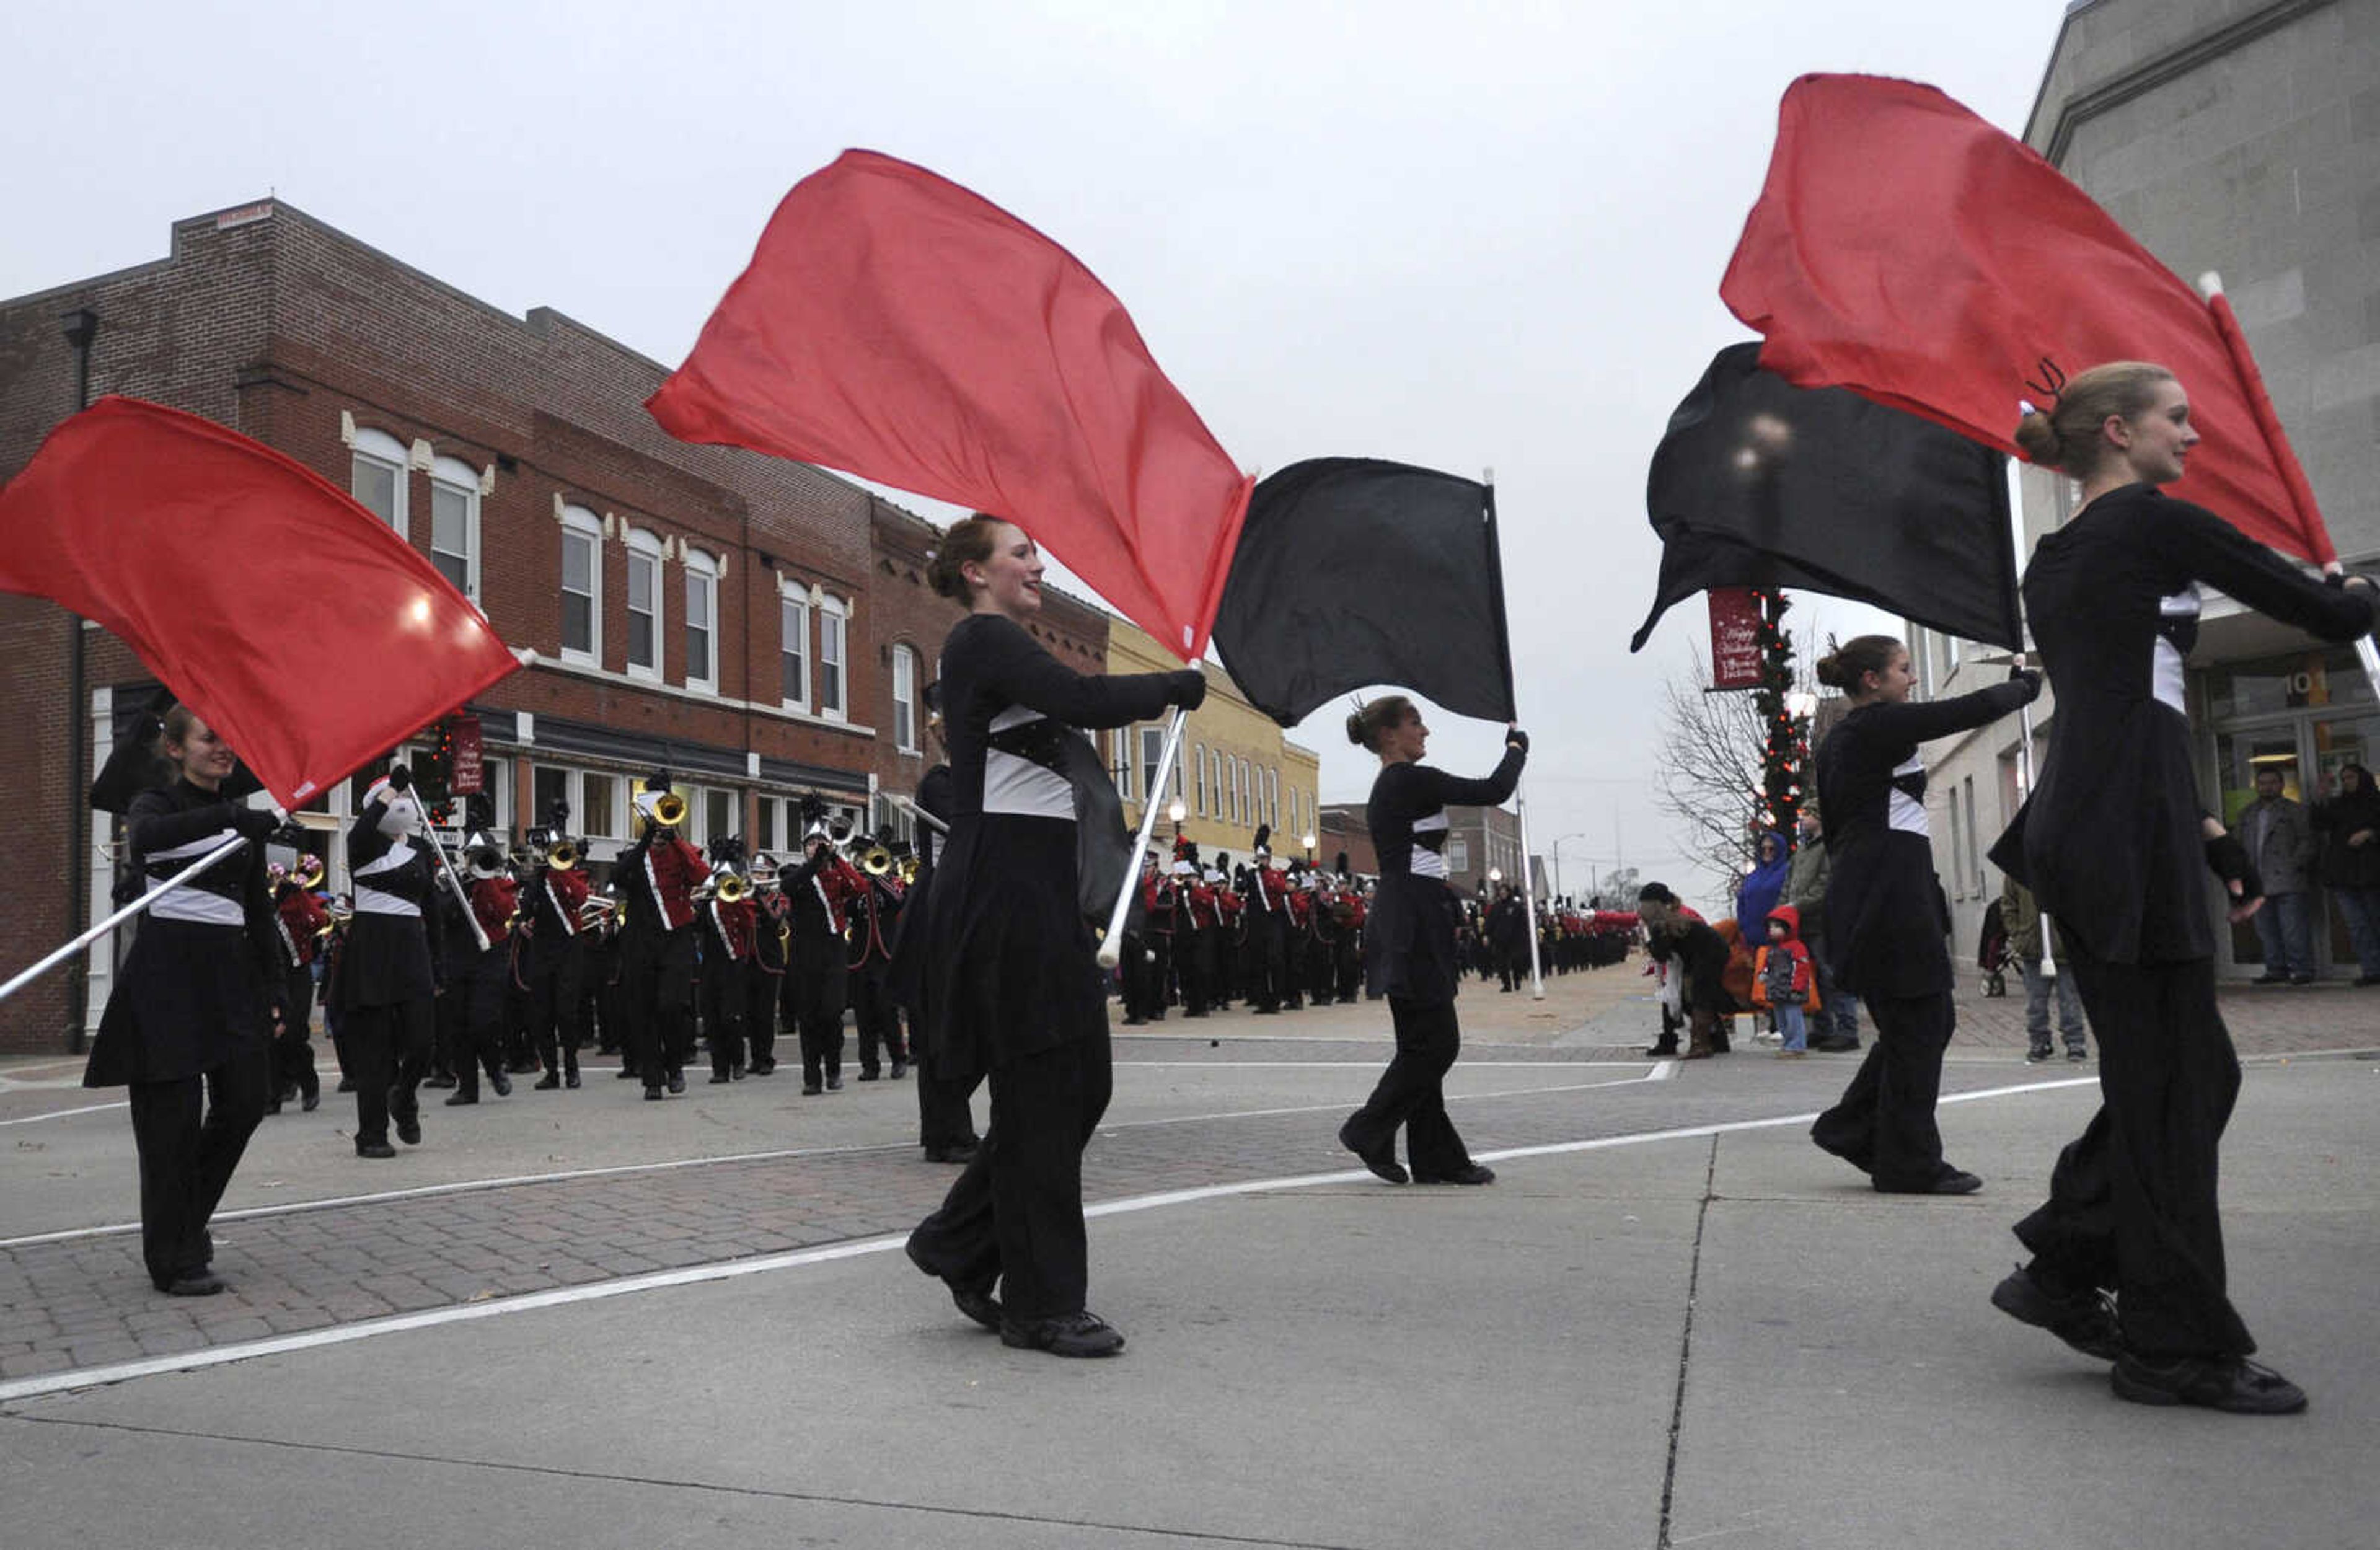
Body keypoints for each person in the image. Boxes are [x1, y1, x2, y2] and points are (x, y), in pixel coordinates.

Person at [1988, 360, 2375, 1414]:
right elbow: (2318, 608)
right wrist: (2353, 594)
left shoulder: (2064, 557)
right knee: (2169, 1093)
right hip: (2117, 832)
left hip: (2118, 819)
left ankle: (2067, 1263)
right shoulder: (2151, 524)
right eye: (2178, 420)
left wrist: (2212, 832)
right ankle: (2173, 1346)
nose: (2193, 437)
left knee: (2191, 1079)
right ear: (2119, 430)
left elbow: (2136, 700)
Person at [903, 516, 1204, 1357]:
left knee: (1081, 1085)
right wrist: (1170, 688)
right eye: (1020, 551)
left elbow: (1075, 703)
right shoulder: (981, 641)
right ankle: (1042, 1303)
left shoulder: (1009, 647)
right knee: (1041, 1095)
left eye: (1036, 551)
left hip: (1039, 888)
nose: (1038, 562)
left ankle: (958, 1239)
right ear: (975, 571)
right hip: (1001, 885)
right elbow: (1085, 699)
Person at [1805, 634, 2037, 1195]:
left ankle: (1855, 1126)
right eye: (1905, 669)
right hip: (1888, 895)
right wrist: (2022, 686)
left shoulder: (1844, 740)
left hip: (1875, 892)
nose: (1913, 679)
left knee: (1920, 1023)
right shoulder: (1875, 726)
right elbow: (1963, 711)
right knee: (1921, 1024)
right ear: (1872, 680)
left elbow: (1838, 830)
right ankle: (1905, 1158)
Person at [82, 707, 282, 1294]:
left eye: (229, 738)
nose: (223, 748)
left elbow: (258, 912)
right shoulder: (156, 803)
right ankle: (172, 1258)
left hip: (230, 978)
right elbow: (145, 841)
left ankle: (184, 1222)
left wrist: (274, 990)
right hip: (167, 978)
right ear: (175, 748)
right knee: (169, 1126)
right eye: (209, 738)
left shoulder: (240, 821)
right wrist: (235, 818)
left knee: (245, 1103)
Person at [1334, 695, 1527, 1186]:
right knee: (1438, 1043)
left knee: (1421, 1042)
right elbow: (1493, 788)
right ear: (1391, 735)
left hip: (1409, 911)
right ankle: (1368, 1127)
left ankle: (1436, 1156)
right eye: (1416, 723)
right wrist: (1516, 747)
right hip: (1412, 918)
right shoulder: (1407, 779)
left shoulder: (1394, 784)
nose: (1426, 732)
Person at [336, 768, 447, 1157]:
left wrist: (438, 961)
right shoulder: (364, 844)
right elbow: (359, 831)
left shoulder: (420, 847)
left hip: (412, 950)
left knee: (422, 1042)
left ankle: (404, 1096)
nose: (398, 803)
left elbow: (431, 907)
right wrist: (391, 789)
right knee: (374, 1050)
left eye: (402, 798)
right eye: (392, 799)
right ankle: (372, 1133)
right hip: (372, 951)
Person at [1784, 808, 1858, 1052]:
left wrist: (1797, 905)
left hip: (1823, 923)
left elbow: (1825, 884)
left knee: (1832, 976)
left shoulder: (1828, 847)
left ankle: (1847, 1030)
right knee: (1813, 978)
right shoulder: (1802, 851)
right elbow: (1789, 883)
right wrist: (1783, 911)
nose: (1802, 819)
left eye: (1807, 814)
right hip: (1802, 925)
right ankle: (1823, 1027)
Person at [2239, 767, 2317, 984]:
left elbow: (2308, 841)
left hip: (2288, 878)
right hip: (2258, 879)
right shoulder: (2247, 813)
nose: (2267, 787)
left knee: (2293, 929)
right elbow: (2239, 845)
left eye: (2272, 782)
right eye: (2262, 783)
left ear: (2282, 785)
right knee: (2266, 931)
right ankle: (2275, 969)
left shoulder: (2296, 810)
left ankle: (2301, 970)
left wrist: (2295, 864)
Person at [1636, 886, 1734, 1059]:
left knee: (1697, 994)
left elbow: (1661, 954)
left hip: (1709, 953)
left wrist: (1648, 937)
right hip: (1703, 953)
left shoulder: (1664, 923)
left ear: (1653, 905)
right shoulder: (1669, 917)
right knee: (1681, 995)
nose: (1641, 909)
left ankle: (1701, 1045)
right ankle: (1716, 1040)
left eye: (1644, 905)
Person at [1999, 875, 2087, 1063]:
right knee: (2036, 1001)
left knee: (2069, 998)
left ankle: (2075, 1042)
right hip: (2033, 948)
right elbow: (2009, 905)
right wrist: (2018, 935)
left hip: (2064, 947)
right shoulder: (2017, 872)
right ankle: (2039, 1042)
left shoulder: (2063, 863)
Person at [2312, 764, 2380, 985]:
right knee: (2357, 925)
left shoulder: (2375, 802)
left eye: (2351, 777)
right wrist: (2321, 796)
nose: (2347, 782)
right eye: (2344, 778)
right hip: (2343, 872)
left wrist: (2370, 833)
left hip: (2371, 872)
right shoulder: (2339, 804)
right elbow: (2320, 823)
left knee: (2375, 920)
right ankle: (2371, 970)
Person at [1750, 905, 1817, 1058]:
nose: (1772, 930)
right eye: (1770, 927)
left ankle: (1797, 1046)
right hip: (1778, 990)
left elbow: (1802, 968)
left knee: (1793, 1019)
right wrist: (1764, 975)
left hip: (1792, 990)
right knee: (1782, 1021)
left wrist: (1798, 986)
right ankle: (1789, 1044)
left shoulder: (1797, 947)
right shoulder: (1773, 948)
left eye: (1777, 927)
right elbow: (1769, 965)